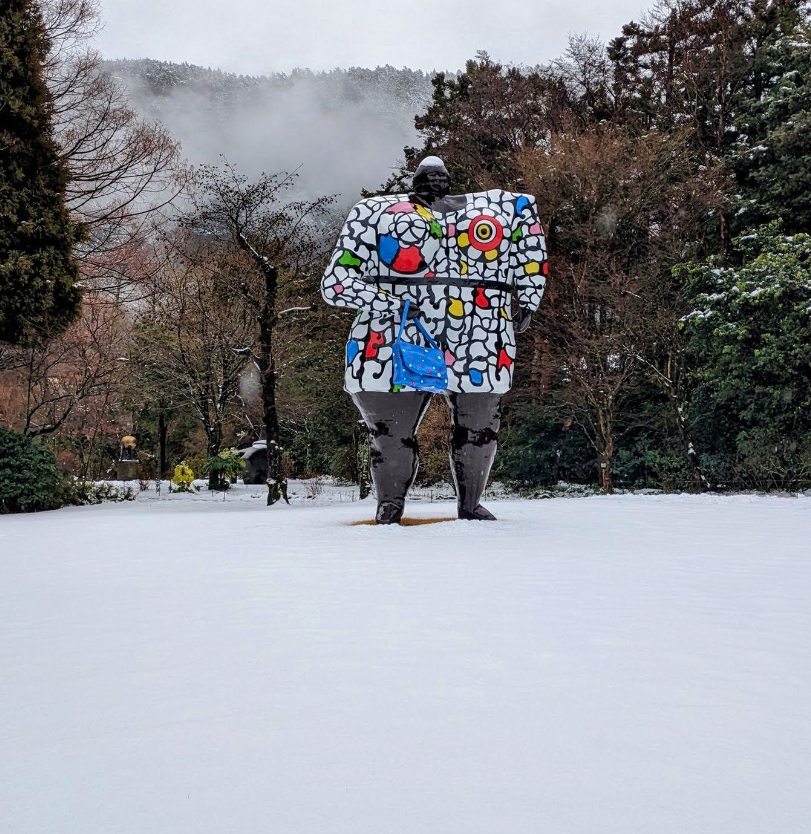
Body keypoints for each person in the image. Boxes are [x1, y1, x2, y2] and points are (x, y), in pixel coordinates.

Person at [322, 156, 547, 523]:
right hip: (392, 339)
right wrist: (392, 305)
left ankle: (470, 505)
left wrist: (528, 295)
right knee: (389, 434)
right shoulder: (373, 212)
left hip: (479, 335)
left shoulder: (508, 210)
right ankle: (389, 505)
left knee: (480, 429)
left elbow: (531, 250)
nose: (435, 186)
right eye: (428, 179)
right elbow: (335, 282)